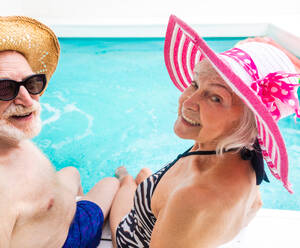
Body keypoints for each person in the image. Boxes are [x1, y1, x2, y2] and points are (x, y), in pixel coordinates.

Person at [109, 15, 300, 248]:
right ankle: (141, 181)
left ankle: (126, 179)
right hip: (161, 214)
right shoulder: (238, 150)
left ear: (249, 119)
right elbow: (255, 204)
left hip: (129, 238)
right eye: (196, 84)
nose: (188, 101)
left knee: (122, 186)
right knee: (143, 183)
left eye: (216, 98)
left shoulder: (194, 196)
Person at [0, 15, 119, 248]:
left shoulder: (1, 133)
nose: (27, 100)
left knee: (71, 173)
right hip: (68, 240)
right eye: (4, 87)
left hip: (55, 218)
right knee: (113, 182)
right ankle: (127, 178)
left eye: (32, 83)